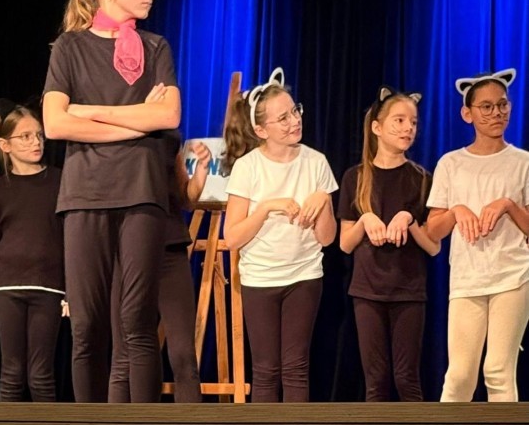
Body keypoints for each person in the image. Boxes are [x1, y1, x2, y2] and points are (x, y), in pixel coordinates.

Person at [43, 0, 181, 403]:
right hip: (85, 195)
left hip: (141, 193)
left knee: (137, 322)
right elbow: (54, 124)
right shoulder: (70, 47)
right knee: (87, 326)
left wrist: (88, 112)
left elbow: (168, 115)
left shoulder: (156, 47)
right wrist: (137, 121)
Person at [222, 67, 338, 402]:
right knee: (266, 369)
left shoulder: (316, 162)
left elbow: (328, 238)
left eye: (295, 111)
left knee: (296, 367)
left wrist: (323, 202)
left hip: (304, 275)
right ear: (261, 130)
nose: (294, 121)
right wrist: (265, 208)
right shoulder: (248, 167)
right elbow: (232, 238)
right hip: (260, 279)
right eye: (283, 118)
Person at [426, 69, 529, 402]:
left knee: (498, 370)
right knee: (459, 375)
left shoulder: (523, 162)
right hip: (467, 278)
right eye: (486, 106)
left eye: (502, 105)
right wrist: (456, 210)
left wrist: (508, 205)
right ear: (467, 113)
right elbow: (433, 230)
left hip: (513, 276)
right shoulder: (451, 163)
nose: (496, 113)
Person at [337, 87, 440, 402]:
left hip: (409, 290)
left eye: (413, 122)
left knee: (407, 377)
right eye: (399, 120)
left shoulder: (422, 178)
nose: (408, 128)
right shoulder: (355, 177)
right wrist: (366, 220)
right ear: (377, 127)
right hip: (367, 291)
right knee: (376, 381)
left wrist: (409, 219)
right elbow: (345, 244)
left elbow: (433, 247)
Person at [0, 100, 65, 402]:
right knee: (11, 374)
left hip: (48, 286)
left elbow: (70, 240)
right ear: (5, 145)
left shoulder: (59, 181)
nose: (35, 142)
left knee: (41, 374)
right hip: (7, 287)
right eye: (25, 136)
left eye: (38, 135)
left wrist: (72, 292)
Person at [109, 135, 211, 403]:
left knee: (183, 355)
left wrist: (201, 171)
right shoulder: (112, 133)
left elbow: (185, 197)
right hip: (126, 251)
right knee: (124, 355)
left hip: (169, 248)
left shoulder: (165, 137)